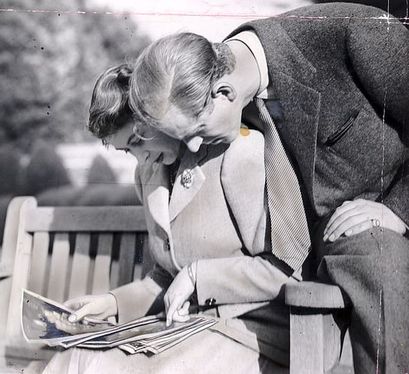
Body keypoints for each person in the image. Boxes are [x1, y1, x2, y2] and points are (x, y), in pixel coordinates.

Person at [129, 3, 409, 374]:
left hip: (377, 220)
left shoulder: (356, 32)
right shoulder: (206, 82)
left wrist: (397, 210)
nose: (194, 148)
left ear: (224, 92)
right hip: (290, 270)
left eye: (196, 134)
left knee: (378, 256)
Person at [42, 64, 291, 373]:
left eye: (137, 141)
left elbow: (284, 269)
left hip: (251, 336)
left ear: (159, 114)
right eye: (126, 151)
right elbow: (166, 276)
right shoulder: (148, 173)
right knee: (73, 359)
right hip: (183, 331)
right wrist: (112, 303)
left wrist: (199, 275)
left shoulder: (238, 153)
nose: (141, 158)